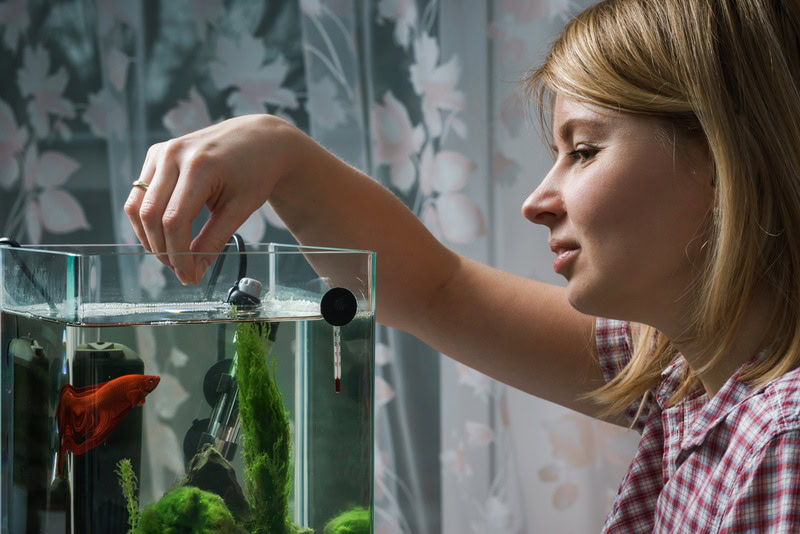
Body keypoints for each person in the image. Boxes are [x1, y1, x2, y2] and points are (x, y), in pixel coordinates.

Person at [125, 0, 800, 531]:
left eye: (585, 150)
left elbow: (437, 291)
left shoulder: (783, 444)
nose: (537, 201)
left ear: (721, 158)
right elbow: (439, 291)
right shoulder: (683, 375)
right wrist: (279, 153)